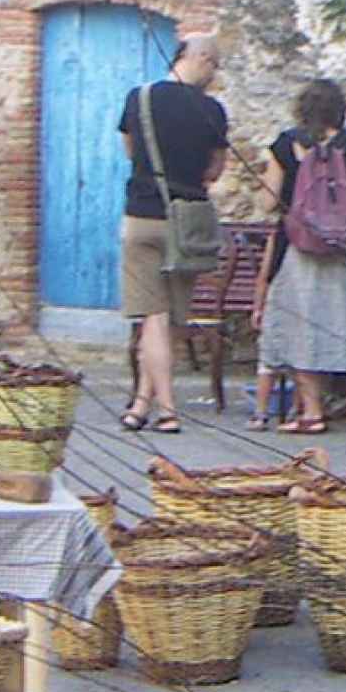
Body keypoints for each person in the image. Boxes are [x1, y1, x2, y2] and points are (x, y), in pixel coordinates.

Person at [248, 79, 346, 434]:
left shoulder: (285, 144)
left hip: (295, 249)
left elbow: (268, 202)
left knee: (298, 325)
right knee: (328, 324)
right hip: (337, 250)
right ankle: (316, 406)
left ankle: (311, 412)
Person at [117, 34, 228, 434]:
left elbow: (130, 151)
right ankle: (164, 407)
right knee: (167, 319)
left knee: (153, 318)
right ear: (198, 57)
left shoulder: (139, 98)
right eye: (214, 63)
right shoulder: (214, 111)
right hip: (188, 223)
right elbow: (214, 171)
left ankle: (149, 405)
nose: (215, 73)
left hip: (142, 216)